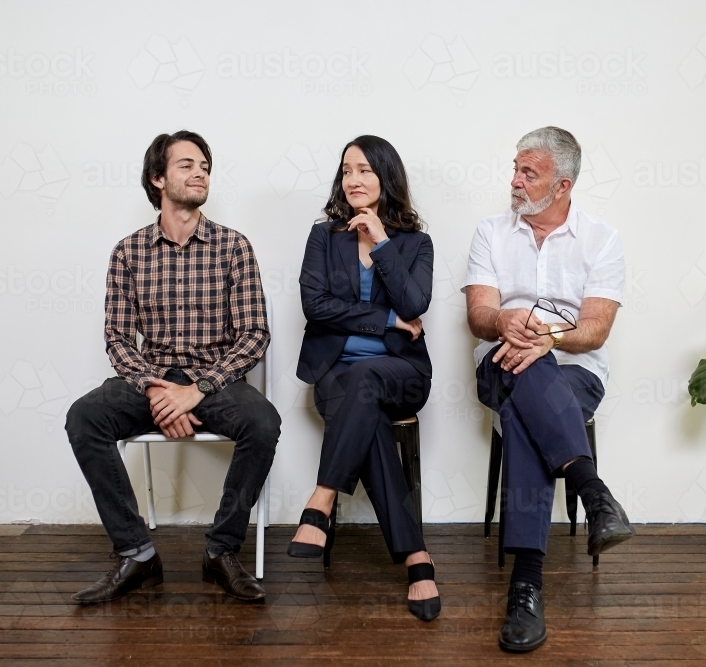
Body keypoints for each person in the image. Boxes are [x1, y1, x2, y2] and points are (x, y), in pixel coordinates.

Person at [65, 130, 280, 605]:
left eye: (204, 163)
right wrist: (156, 392)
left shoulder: (233, 247)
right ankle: (137, 553)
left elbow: (254, 335)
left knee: (263, 423)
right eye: (186, 164)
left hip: (215, 379)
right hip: (152, 378)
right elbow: (118, 339)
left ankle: (221, 552)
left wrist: (197, 388)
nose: (200, 171)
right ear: (158, 178)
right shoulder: (128, 251)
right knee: (84, 417)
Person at [463, 127, 634, 652]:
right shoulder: (491, 232)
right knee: (524, 370)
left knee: (523, 408)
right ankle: (592, 490)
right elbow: (478, 315)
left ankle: (526, 586)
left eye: (527, 172)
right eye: (515, 168)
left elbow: (595, 331)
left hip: (576, 370)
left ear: (562, 185)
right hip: (499, 358)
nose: (514, 180)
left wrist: (548, 335)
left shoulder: (601, 240)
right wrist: (506, 320)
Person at [288, 135, 440, 621]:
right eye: (346, 170)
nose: (353, 179)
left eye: (365, 171)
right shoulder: (323, 236)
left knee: (369, 379)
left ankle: (322, 497)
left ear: (386, 178)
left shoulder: (416, 244)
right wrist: (385, 321)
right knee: (362, 398)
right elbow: (316, 307)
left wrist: (382, 242)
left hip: (403, 373)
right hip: (335, 373)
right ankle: (417, 558)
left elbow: (416, 303)